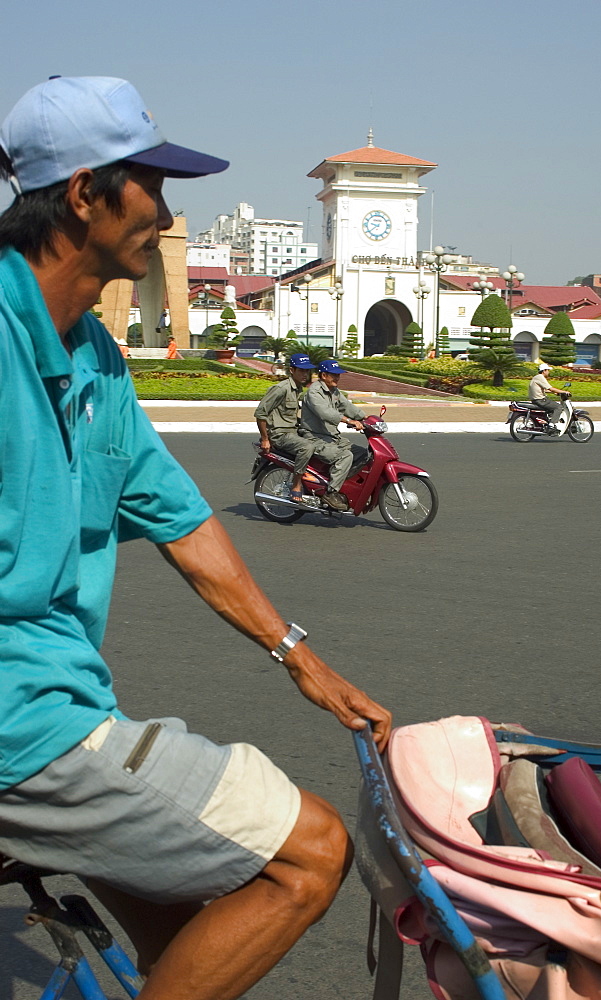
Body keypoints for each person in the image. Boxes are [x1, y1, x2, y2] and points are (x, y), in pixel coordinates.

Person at [0, 75, 391, 1000]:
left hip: (64, 701)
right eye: (153, 186)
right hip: (24, 726)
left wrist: (298, 655)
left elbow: (177, 516)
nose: (167, 213)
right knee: (310, 855)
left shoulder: (93, 355)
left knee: (186, 945)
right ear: (88, 193)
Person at [301, 359, 366, 510]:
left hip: (331, 437)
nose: (337, 378)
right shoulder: (314, 392)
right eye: (334, 375)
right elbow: (326, 413)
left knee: (362, 454)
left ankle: (339, 482)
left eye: (338, 375)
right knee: (345, 456)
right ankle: (331, 493)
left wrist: (366, 418)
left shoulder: (334, 391)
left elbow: (347, 406)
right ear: (323, 375)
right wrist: (349, 421)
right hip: (314, 438)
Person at [254, 352, 319, 501]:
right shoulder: (281, 388)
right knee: (306, 448)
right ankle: (296, 485)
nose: (305, 374)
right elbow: (260, 414)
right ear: (292, 370)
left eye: (307, 371)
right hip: (280, 435)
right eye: (301, 370)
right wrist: (265, 439)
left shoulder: (297, 388)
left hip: (292, 432)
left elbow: (290, 416)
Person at [528, 362, 564, 432]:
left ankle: (547, 423)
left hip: (536, 400)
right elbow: (550, 388)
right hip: (541, 400)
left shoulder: (536, 377)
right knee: (559, 407)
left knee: (552, 409)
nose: (548, 372)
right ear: (544, 371)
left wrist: (555, 392)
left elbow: (544, 390)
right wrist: (563, 392)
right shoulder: (541, 377)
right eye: (548, 370)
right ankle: (551, 425)